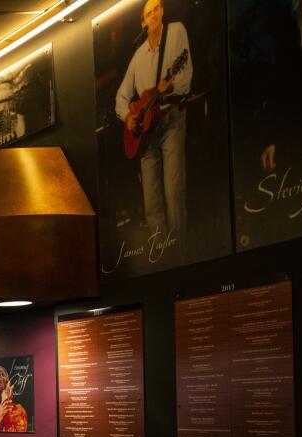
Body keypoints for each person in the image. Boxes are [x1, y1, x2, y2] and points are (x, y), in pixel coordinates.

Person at [114, 0, 192, 253]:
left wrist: (172, 86)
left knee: (173, 194)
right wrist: (128, 117)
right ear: (143, 21)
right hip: (146, 133)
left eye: (157, 8)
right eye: (149, 13)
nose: (155, 14)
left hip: (170, 120)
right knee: (152, 203)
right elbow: (121, 97)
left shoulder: (177, 31)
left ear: (163, 11)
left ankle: (181, 255)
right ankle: (161, 257)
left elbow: (186, 75)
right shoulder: (137, 57)